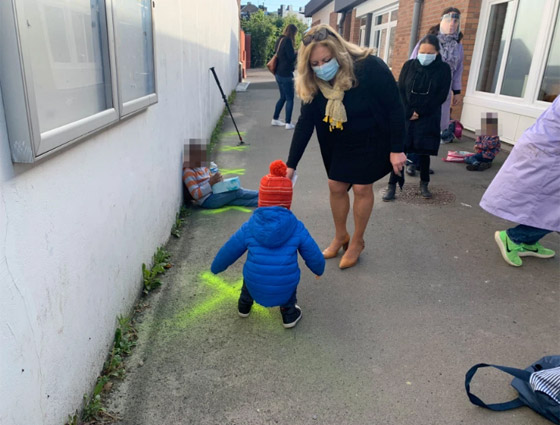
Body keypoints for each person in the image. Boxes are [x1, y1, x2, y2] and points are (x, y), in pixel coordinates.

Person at [285, 25, 406, 269]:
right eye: (315, 63)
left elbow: (395, 107)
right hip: (338, 140)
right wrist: (291, 165)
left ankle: (357, 241)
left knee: (362, 187)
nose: (321, 67)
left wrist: (397, 148)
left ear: (339, 52)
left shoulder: (369, 67)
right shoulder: (314, 82)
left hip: (372, 138)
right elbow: (305, 123)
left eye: (326, 60)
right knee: (335, 185)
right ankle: (341, 235)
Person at [211, 160, 325, 328]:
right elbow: (313, 252)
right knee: (288, 284)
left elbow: (230, 249)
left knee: (249, 277)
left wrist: (216, 267)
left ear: (261, 199)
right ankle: (289, 314)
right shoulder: (296, 226)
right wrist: (319, 269)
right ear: (287, 200)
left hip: (254, 284)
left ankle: (244, 306)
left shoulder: (250, 226)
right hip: (284, 287)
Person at [480, 97, 559, 267]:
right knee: (552, 210)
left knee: (548, 208)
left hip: (546, 152)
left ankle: (528, 241)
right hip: (547, 154)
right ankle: (514, 238)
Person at [382, 35, 451, 201]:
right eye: (422, 51)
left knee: (424, 151)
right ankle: (392, 185)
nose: (425, 55)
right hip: (406, 115)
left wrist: (420, 112)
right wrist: (408, 112)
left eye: (429, 52)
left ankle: (424, 183)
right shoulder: (409, 66)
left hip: (428, 116)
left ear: (437, 53)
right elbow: (400, 90)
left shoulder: (443, 69)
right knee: (400, 149)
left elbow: (441, 95)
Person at [407, 7, 464, 176]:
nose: (452, 24)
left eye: (456, 21)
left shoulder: (458, 47)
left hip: (442, 94)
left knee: (434, 128)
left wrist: (457, 91)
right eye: (449, 20)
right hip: (423, 90)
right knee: (418, 125)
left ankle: (423, 162)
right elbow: (412, 63)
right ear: (441, 21)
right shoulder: (430, 41)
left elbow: (458, 70)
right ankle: (412, 160)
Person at [182, 143, 258, 208]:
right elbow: (195, 195)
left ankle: (264, 202)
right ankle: (263, 194)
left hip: (215, 192)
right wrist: (210, 183)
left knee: (235, 200)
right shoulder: (188, 172)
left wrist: (218, 179)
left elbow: (210, 178)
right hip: (207, 200)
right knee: (237, 191)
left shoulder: (202, 166)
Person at [271, 24, 298, 130]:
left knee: (282, 97)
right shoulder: (288, 41)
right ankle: (288, 123)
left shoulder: (280, 40)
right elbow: (291, 57)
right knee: (290, 98)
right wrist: (297, 53)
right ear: (293, 32)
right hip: (286, 73)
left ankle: (275, 119)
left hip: (278, 73)